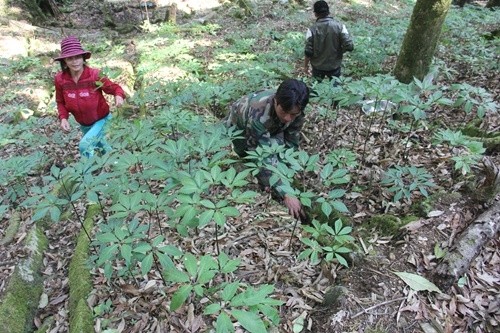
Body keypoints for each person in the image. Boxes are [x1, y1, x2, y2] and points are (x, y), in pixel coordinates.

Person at [225, 79, 310, 221]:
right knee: (246, 155)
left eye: (293, 114)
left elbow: (291, 143)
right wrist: (286, 193)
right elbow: (262, 154)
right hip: (240, 125)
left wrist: (287, 170)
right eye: (284, 112)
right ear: (276, 101)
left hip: (272, 125)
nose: (288, 118)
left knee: (277, 154)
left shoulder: (296, 110)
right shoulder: (258, 115)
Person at [54, 36, 125, 158]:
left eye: (77, 57)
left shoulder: (94, 75)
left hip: (102, 120)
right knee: (104, 149)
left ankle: (87, 175)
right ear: (64, 61)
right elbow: (60, 101)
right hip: (84, 124)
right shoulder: (60, 80)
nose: (75, 61)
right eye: (70, 58)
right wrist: (63, 118)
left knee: (85, 146)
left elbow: (114, 88)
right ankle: (116, 168)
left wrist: (118, 96)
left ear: (83, 58)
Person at [304, 1, 354, 81]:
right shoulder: (340, 26)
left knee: (316, 90)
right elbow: (350, 46)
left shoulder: (311, 30)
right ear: (328, 12)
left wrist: (306, 66)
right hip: (334, 65)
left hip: (317, 66)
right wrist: (340, 51)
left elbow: (308, 52)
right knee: (335, 90)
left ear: (315, 14)